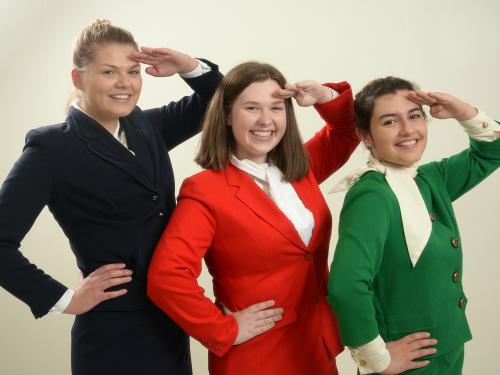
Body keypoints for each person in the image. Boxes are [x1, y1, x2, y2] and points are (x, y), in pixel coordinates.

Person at [0, 19, 222, 375]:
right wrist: (64, 299)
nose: (125, 84)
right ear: (78, 79)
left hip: (171, 319)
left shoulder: (145, 127)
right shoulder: (51, 148)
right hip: (113, 333)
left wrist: (187, 65)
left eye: (133, 71)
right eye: (109, 71)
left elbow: (218, 101)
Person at [147, 61, 360, 374]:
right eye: (252, 108)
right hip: (257, 357)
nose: (266, 120)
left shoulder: (302, 168)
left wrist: (325, 95)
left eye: (276, 108)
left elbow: (346, 131)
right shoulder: (205, 190)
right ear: (228, 116)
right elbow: (167, 276)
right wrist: (224, 329)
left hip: (316, 349)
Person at [327, 76, 500, 374]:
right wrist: (375, 357)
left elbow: (492, 150)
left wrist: (462, 110)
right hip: (411, 363)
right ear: (366, 136)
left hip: (447, 349)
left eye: (415, 116)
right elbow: (346, 285)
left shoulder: (430, 178)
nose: (408, 130)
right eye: (390, 121)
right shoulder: (372, 194)